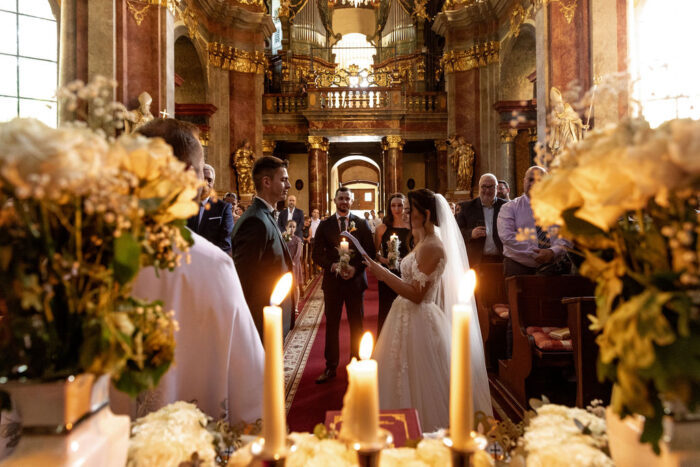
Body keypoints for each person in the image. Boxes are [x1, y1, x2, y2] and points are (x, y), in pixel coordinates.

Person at [111, 118, 264, 426]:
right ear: (190, 178)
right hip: (191, 446)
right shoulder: (214, 265)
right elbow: (250, 394)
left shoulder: (86, 254)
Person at [363, 189, 492, 432]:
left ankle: (425, 432)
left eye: (411, 211)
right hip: (403, 314)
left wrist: (384, 275)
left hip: (419, 317)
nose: (407, 215)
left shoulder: (434, 246)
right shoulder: (420, 241)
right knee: (397, 374)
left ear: (427, 213)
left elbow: (417, 294)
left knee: (423, 379)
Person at [312, 187, 376, 383]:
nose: (344, 202)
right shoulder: (325, 225)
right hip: (333, 283)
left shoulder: (361, 223)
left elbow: (369, 252)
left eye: (347, 199)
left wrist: (355, 270)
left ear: (351, 201)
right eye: (341, 198)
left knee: (357, 323)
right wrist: (331, 266)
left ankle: (355, 362)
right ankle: (331, 367)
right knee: (332, 325)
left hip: (355, 283)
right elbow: (317, 254)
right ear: (334, 200)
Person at [231, 156, 294, 339]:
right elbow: (244, 280)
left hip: (271, 316)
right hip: (261, 320)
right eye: (283, 180)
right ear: (266, 182)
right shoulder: (254, 220)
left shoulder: (266, 214)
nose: (288, 185)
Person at [497, 166, 571, 277]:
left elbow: (567, 236)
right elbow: (507, 236)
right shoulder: (509, 208)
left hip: (553, 268)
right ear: (524, 181)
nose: (534, 184)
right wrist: (536, 253)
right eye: (531, 180)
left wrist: (552, 252)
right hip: (519, 267)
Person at [374, 193, 411, 335]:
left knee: (405, 308)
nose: (397, 209)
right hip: (388, 273)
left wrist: (406, 261)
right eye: (393, 205)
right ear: (389, 208)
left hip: (406, 273)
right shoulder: (382, 229)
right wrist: (386, 260)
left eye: (400, 205)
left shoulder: (411, 228)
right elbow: (375, 253)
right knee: (386, 308)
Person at [456, 173, 507, 265]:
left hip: (501, 260)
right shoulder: (466, 207)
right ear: (479, 188)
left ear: (496, 188)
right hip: (476, 261)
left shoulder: (506, 206)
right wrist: (470, 233)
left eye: (491, 187)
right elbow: (456, 233)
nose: (487, 191)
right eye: (484, 187)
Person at [187, 164, 234, 253]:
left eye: (210, 180)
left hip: (212, 261)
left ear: (213, 183)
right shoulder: (185, 206)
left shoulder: (223, 208)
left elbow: (226, 243)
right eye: (203, 178)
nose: (206, 182)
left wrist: (206, 259)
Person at [285, 220, 304, 317]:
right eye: (290, 226)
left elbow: (297, 255)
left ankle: (296, 306)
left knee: (295, 285)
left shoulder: (298, 240)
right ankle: (287, 305)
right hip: (285, 265)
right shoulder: (283, 239)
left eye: (293, 227)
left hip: (294, 265)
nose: (292, 229)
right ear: (286, 227)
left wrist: (291, 263)